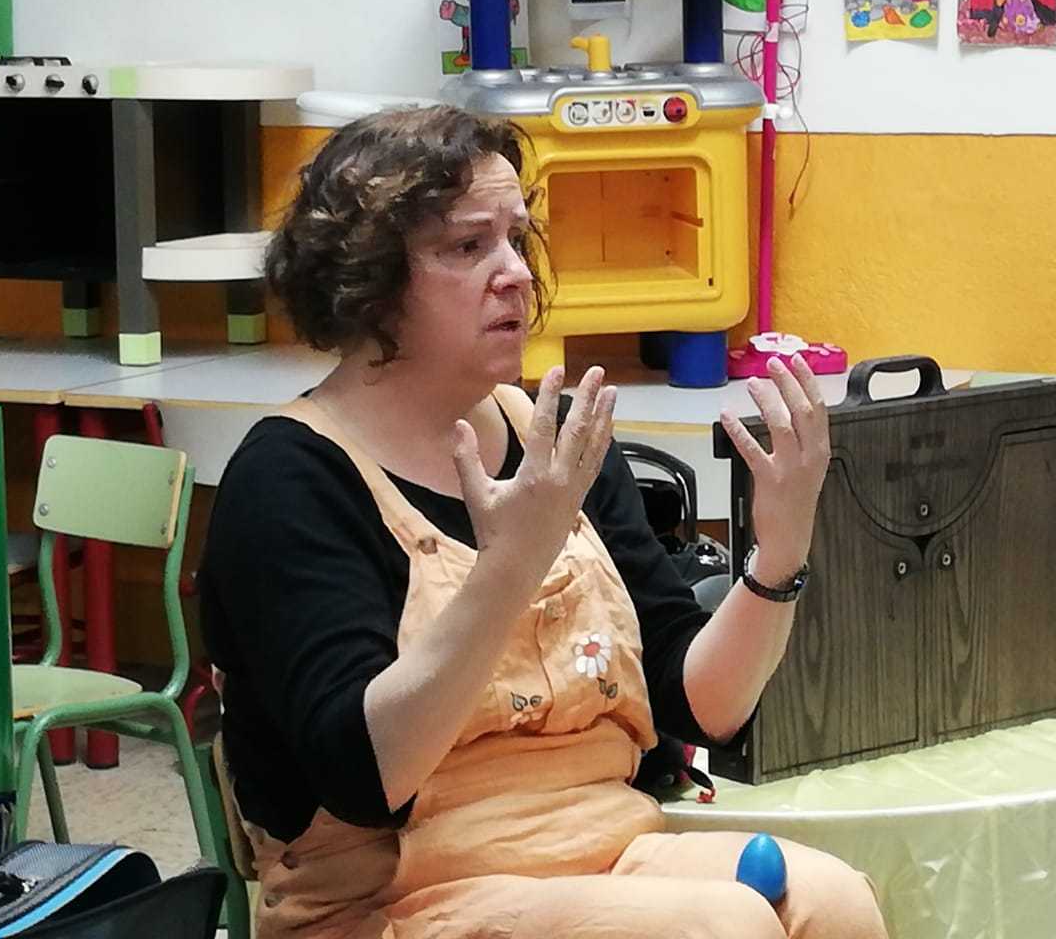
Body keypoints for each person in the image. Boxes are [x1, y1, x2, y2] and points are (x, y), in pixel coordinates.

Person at [200, 106, 888, 939]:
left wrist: (778, 554)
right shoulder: (290, 479)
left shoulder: (554, 438)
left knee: (832, 901)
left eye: (517, 239)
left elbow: (699, 705)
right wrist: (509, 570)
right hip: (384, 902)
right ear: (366, 281)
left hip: (601, 852)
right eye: (467, 246)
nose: (515, 275)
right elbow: (363, 775)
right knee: (722, 926)